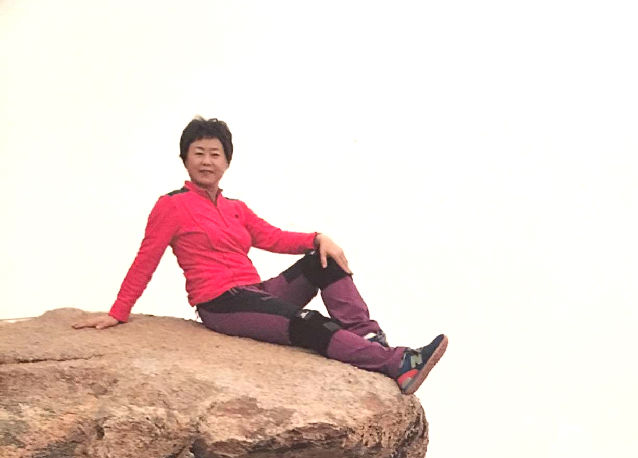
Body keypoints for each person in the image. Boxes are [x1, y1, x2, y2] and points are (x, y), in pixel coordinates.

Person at [73, 116, 447, 396]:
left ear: (227, 161)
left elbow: (273, 238)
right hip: (222, 303)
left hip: (257, 293)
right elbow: (146, 259)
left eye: (215, 154)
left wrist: (318, 238)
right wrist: (118, 311)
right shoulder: (171, 206)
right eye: (198, 153)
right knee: (310, 324)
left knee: (324, 260)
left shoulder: (235, 208)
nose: (207, 161)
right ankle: (397, 362)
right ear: (184, 158)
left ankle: (369, 340)